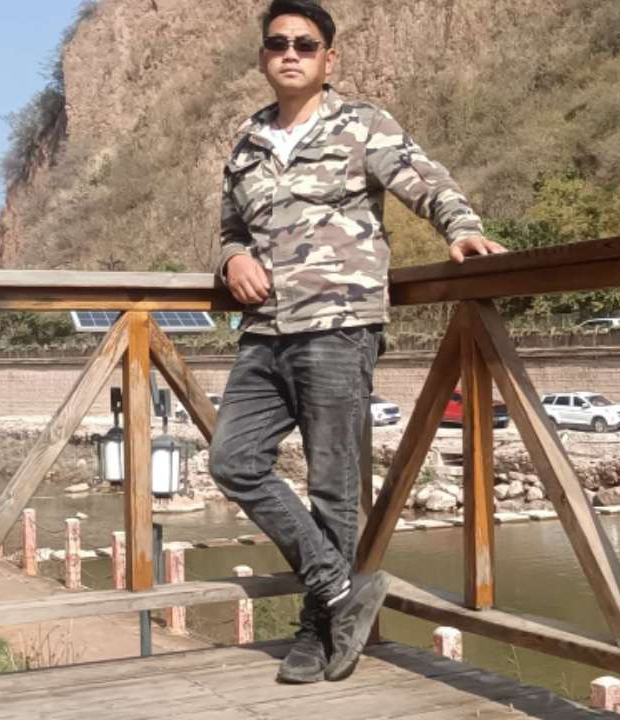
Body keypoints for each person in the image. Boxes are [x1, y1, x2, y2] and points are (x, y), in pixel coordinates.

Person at [209, 0, 505, 685]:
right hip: (264, 329)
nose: (290, 53)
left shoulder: (362, 123)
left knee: (334, 488)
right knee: (233, 459)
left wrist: (461, 229)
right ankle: (340, 590)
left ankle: (318, 630)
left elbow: (423, 179)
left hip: (338, 325)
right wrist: (230, 260)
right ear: (263, 56)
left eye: (305, 44)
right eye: (278, 43)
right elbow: (229, 229)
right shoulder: (247, 141)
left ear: (328, 58)